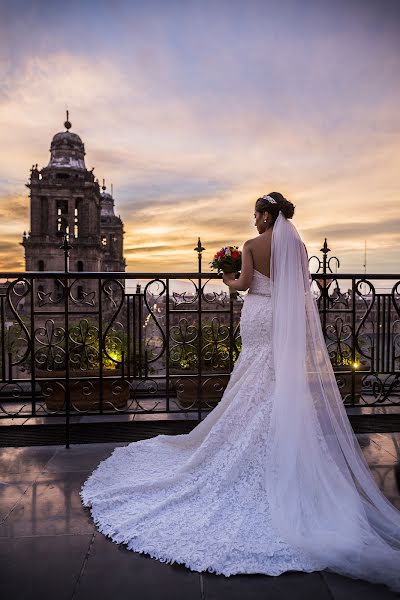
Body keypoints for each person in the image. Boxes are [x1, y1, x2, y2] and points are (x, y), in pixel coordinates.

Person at [80, 192, 400, 592]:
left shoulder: (252, 246)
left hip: (259, 314)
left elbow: (244, 283)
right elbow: (303, 289)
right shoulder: (298, 245)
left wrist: (225, 278)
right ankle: (281, 447)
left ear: (267, 215)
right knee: (276, 377)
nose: (254, 221)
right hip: (283, 318)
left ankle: (243, 442)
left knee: (252, 370)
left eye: (256, 215)